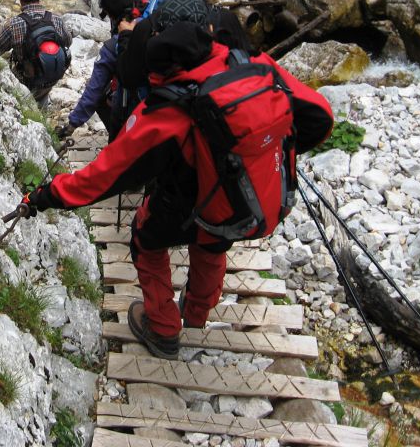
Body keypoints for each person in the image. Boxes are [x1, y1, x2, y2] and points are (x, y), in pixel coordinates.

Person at [23, 21, 334, 361]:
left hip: (184, 201)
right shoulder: (255, 66)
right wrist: (266, 150)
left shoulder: (167, 110)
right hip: (245, 199)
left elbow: (104, 177)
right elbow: (321, 117)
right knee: (213, 245)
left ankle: (164, 328)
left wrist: (44, 196)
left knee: (146, 239)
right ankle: (197, 314)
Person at [57, 0, 148, 142]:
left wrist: (72, 125)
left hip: (136, 106)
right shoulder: (152, 16)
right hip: (168, 96)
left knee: (102, 97)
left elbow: (95, 88)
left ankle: (117, 142)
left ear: (110, 14)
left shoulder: (114, 47)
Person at [0, 0, 72, 109]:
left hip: (27, 81)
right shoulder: (56, 19)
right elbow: (68, 42)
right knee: (42, 99)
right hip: (52, 76)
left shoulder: (14, 24)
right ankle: (42, 111)